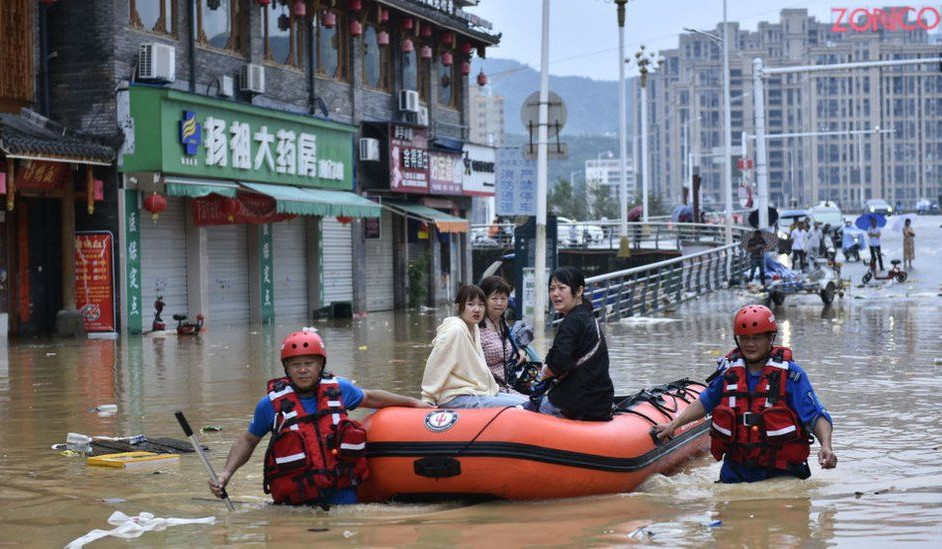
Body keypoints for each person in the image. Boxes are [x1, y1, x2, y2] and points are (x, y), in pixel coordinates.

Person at [208, 329, 430, 508]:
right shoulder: (270, 404)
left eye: (309, 363)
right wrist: (225, 474)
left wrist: (413, 403)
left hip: (342, 497)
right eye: (295, 365)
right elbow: (248, 440)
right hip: (295, 503)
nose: (303, 370)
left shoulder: (339, 389)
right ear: (286, 368)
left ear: (320, 365)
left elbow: (371, 397)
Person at [653, 305, 837, 483]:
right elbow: (705, 402)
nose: (750, 344)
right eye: (745, 338)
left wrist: (826, 447)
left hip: (782, 472)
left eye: (757, 338)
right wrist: (673, 425)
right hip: (736, 471)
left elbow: (815, 415)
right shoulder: (729, 373)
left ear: (770, 338)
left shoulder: (791, 374)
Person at [421, 285, 528, 408]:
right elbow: (436, 365)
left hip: (477, 392)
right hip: (456, 397)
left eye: (481, 305)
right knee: (522, 405)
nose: (477, 309)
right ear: (459, 307)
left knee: (527, 401)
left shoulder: (474, 328)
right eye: (471, 304)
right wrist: (428, 398)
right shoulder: (454, 331)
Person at [529, 267, 614, 421]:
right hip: (600, 401)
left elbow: (559, 362)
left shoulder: (572, 321)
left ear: (579, 290)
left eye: (562, 288)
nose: (555, 294)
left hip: (575, 402)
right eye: (552, 288)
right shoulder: (587, 316)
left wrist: (544, 372)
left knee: (525, 412)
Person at [478, 276, 526, 394]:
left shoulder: (502, 322)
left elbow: (506, 344)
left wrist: (518, 350)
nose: (499, 303)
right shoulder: (476, 328)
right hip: (489, 388)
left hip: (507, 384)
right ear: (484, 300)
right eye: (494, 299)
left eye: (503, 299)